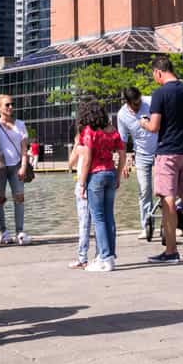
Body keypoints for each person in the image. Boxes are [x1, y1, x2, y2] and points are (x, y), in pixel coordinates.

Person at [143, 54, 183, 263]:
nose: (155, 79)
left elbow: (154, 126)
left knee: (167, 201)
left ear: (158, 72)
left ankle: (171, 251)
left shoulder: (160, 94)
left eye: (154, 75)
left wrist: (143, 123)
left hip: (167, 153)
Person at [75, 99, 126, 272]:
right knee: (109, 216)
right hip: (111, 173)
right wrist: (118, 175)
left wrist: (81, 183)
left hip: (95, 175)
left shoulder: (89, 131)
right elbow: (122, 155)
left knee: (98, 218)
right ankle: (110, 255)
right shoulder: (112, 131)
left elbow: (87, 158)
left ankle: (104, 258)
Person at [116, 86, 158, 238]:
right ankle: (146, 225)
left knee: (165, 190)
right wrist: (125, 161)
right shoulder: (122, 115)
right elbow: (122, 140)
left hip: (161, 151)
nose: (139, 105)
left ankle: (171, 223)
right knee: (144, 190)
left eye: (139, 101)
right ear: (127, 103)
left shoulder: (151, 101)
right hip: (141, 154)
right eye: (135, 103)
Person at [0, 93, 30, 244]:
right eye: (7, 105)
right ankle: (3, 232)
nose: (10, 107)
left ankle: (19, 231)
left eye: (12, 104)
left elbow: (24, 149)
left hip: (16, 166)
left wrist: (23, 167)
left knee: (19, 198)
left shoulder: (20, 124)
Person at [67, 119, 94, 270]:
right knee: (100, 220)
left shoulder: (82, 143)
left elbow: (70, 163)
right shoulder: (97, 138)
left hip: (83, 183)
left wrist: (76, 144)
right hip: (97, 180)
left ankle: (82, 257)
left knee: (84, 222)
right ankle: (103, 254)